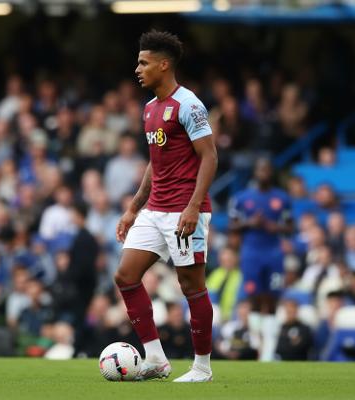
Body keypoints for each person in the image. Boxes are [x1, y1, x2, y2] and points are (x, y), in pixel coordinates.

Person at [114, 31, 217, 383]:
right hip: (155, 209)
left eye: (144, 63)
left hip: (184, 211)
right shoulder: (149, 109)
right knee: (125, 276)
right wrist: (133, 208)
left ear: (163, 64)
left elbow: (209, 157)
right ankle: (156, 359)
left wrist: (193, 207)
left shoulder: (189, 105)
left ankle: (202, 367)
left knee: (191, 286)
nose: (137, 69)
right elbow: (155, 164)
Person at [229, 158, 292, 313]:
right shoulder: (241, 198)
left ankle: (271, 326)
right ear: (255, 172)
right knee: (253, 296)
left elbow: (291, 227)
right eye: (260, 170)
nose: (263, 173)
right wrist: (249, 223)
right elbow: (231, 226)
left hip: (274, 252)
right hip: (251, 253)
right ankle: (256, 327)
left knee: (273, 296)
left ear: (272, 173)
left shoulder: (282, 198)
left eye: (267, 170)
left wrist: (275, 227)